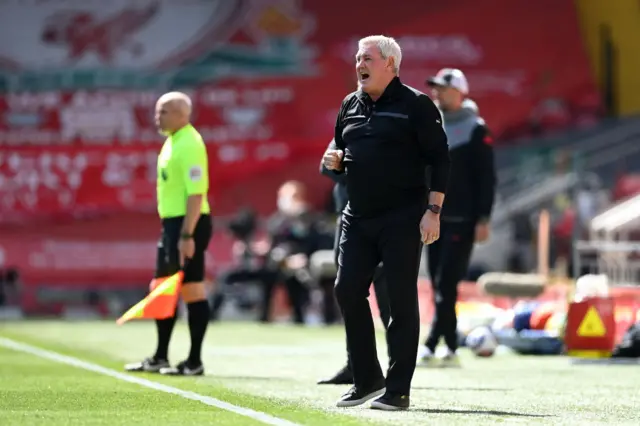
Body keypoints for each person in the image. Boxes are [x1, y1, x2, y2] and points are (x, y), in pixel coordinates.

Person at [323, 35, 450, 411]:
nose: (359, 64)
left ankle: (398, 390)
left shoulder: (417, 105)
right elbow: (342, 152)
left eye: (367, 58)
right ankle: (367, 379)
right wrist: (337, 161)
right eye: (357, 58)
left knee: (399, 301)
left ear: (391, 64)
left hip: (402, 217)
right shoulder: (349, 104)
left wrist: (434, 210)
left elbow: (441, 160)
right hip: (356, 216)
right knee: (347, 290)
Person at [125, 91, 213, 376]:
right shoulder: (172, 142)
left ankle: (194, 361)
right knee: (164, 288)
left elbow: (197, 194)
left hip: (188, 225)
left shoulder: (190, 142)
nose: (157, 116)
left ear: (181, 114)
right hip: (174, 225)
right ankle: (162, 356)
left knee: (191, 289)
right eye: (157, 111)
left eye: (163, 111)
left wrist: (187, 236)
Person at [417, 68, 496, 367]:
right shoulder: (430, 125)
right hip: (431, 216)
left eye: (443, 88)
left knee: (446, 281)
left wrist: (484, 218)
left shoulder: (476, 129)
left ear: (460, 92)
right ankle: (451, 347)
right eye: (435, 88)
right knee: (439, 284)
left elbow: (486, 178)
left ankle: (430, 344)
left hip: (462, 218)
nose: (437, 93)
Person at [317, 138, 391, 385]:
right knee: (348, 294)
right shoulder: (349, 123)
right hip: (348, 220)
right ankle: (356, 364)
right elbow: (326, 165)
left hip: (383, 219)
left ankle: (395, 366)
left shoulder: (392, 124)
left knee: (388, 296)